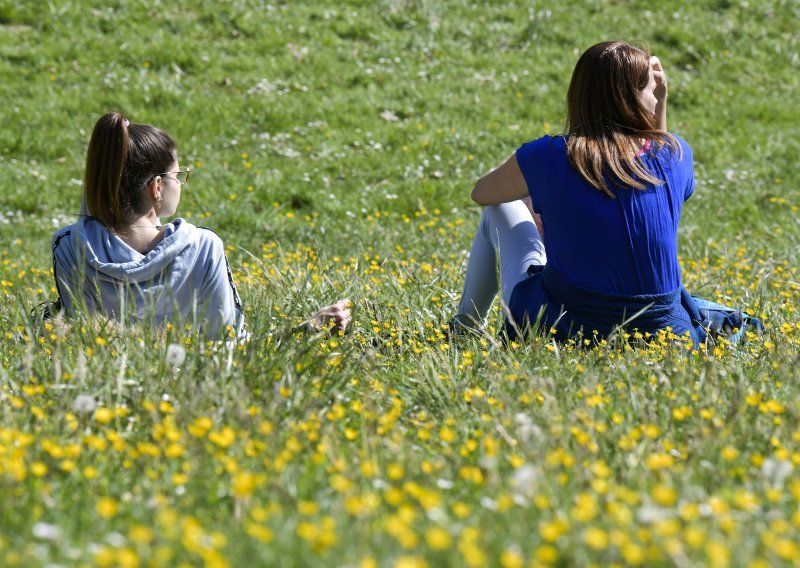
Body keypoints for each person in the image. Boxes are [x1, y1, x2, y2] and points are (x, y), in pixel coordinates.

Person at [452, 41, 760, 346]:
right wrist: (662, 101)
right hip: (664, 333)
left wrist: (537, 202)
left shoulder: (549, 155)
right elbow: (659, 165)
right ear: (633, 98)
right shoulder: (676, 155)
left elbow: (483, 193)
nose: (656, 96)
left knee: (501, 209)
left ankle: (464, 327)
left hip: (568, 325)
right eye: (653, 90)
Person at [51, 112, 350, 339]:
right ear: (157, 187)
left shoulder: (70, 246)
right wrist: (308, 328)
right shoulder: (202, 247)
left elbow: (84, 342)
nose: (180, 184)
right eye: (177, 176)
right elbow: (230, 343)